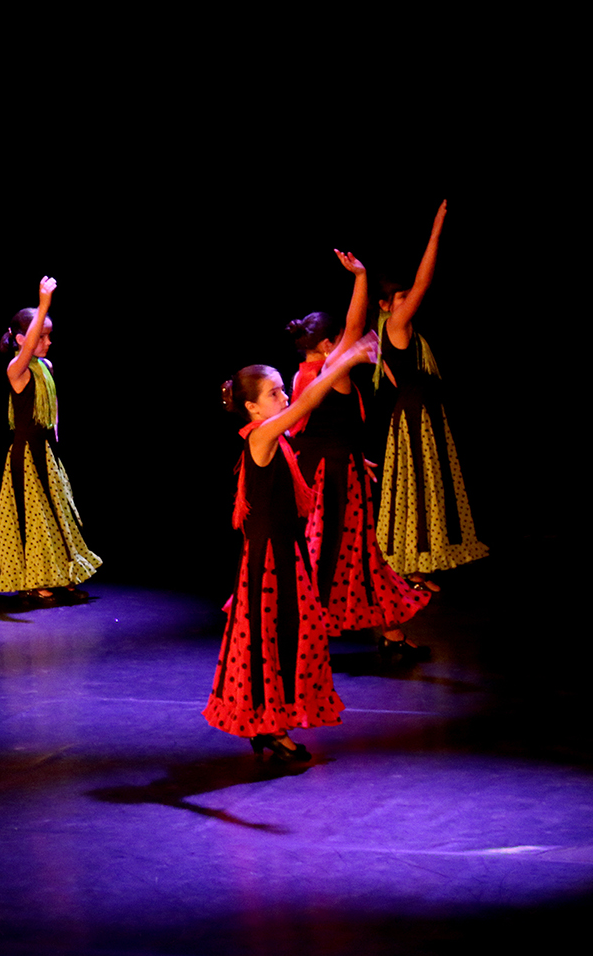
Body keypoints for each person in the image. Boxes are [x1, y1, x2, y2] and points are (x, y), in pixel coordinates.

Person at [208, 332, 378, 763]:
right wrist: (349, 357)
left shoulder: (276, 438)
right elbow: (307, 404)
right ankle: (270, 726)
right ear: (252, 406)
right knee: (273, 642)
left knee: (288, 640)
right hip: (271, 562)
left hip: (287, 554)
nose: (284, 396)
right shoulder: (260, 436)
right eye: (274, 392)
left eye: (283, 388)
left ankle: (273, 723)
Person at [287, 251, 433, 662]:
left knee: (348, 555)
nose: (355, 342)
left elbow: (315, 431)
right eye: (343, 341)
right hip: (335, 479)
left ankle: (384, 632)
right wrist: (360, 278)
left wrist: (354, 457)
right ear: (329, 345)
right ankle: (316, 629)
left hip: (327, 472)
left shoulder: (303, 374)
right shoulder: (330, 369)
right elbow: (355, 325)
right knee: (344, 555)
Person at [375, 201, 488, 583]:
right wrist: (437, 228)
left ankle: (418, 558)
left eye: (407, 298)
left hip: (417, 413)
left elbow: (394, 377)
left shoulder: (396, 336)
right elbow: (424, 283)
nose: (409, 303)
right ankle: (412, 563)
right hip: (415, 417)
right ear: (386, 305)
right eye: (401, 298)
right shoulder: (395, 325)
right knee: (418, 487)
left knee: (422, 488)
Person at [0, 276, 101, 601]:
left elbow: (51, 411)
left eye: (49, 336)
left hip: (45, 451)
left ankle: (61, 573)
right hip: (25, 456)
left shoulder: (47, 367)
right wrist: (43, 304)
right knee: (33, 517)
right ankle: (34, 577)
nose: (47, 342)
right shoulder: (17, 370)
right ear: (20, 339)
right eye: (40, 336)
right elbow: (27, 350)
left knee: (57, 513)